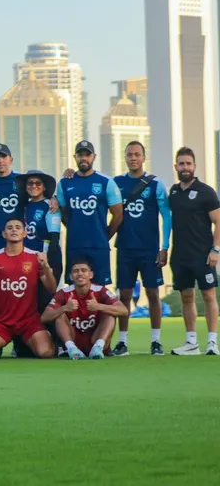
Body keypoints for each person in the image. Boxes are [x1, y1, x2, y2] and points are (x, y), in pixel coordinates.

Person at [110, 141, 171, 356]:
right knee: (124, 295)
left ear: (144, 157)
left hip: (149, 250)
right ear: (125, 158)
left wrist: (164, 247)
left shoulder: (156, 184)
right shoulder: (116, 183)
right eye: (129, 155)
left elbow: (166, 216)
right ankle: (122, 342)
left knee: (153, 294)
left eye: (137, 154)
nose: (133, 158)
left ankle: (156, 341)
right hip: (125, 248)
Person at [0, 218, 57, 359]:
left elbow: (51, 288)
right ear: (3, 234)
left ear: (25, 233)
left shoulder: (35, 257)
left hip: (28, 321)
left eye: (18, 227)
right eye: (10, 228)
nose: (14, 230)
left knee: (46, 353)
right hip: (2, 321)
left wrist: (46, 267)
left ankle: (29, 342)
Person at [167, 147, 220, 356]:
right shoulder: (173, 192)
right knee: (186, 297)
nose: (185, 167)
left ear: (194, 166)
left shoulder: (206, 191)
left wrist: (216, 249)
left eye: (188, 163)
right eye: (181, 163)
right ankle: (191, 343)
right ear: (176, 166)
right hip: (180, 255)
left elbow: (218, 221)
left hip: (203, 255)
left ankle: (212, 342)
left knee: (208, 295)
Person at [56, 140, 123, 286]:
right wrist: (75, 228)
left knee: (99, 291)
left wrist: (104, 236)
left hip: (98, 247)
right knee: (74, 290)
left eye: (87, 155)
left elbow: (118, 215)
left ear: (94, 157)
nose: (84, 158)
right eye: (80, 155)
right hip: (74, 246)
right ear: (75, 157)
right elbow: (64, 214)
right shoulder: (64, 183)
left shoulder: (106, 182)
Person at [41, 259, 128, 360]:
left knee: (110, 313)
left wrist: (99, 306)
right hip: (74, 340)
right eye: (76, 271)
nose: (80, 274)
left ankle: (98, 347)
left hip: (95, 339)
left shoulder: (101, 291)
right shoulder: (63, 293)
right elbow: (44, 317)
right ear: (71, 276)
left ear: (91, 275)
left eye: (84, 270)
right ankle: (71, 348)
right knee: (59, 313)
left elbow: (124, 311)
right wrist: (65, 308)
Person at [15, 170, 62, 311]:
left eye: (38, 183)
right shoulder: (24, 207)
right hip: (27, 261)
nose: (33, 186)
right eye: (30, 183)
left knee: (45, 301)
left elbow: (54, 238)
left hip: (47, 259)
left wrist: (49, 263)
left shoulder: (50, 205)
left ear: (44, 187)